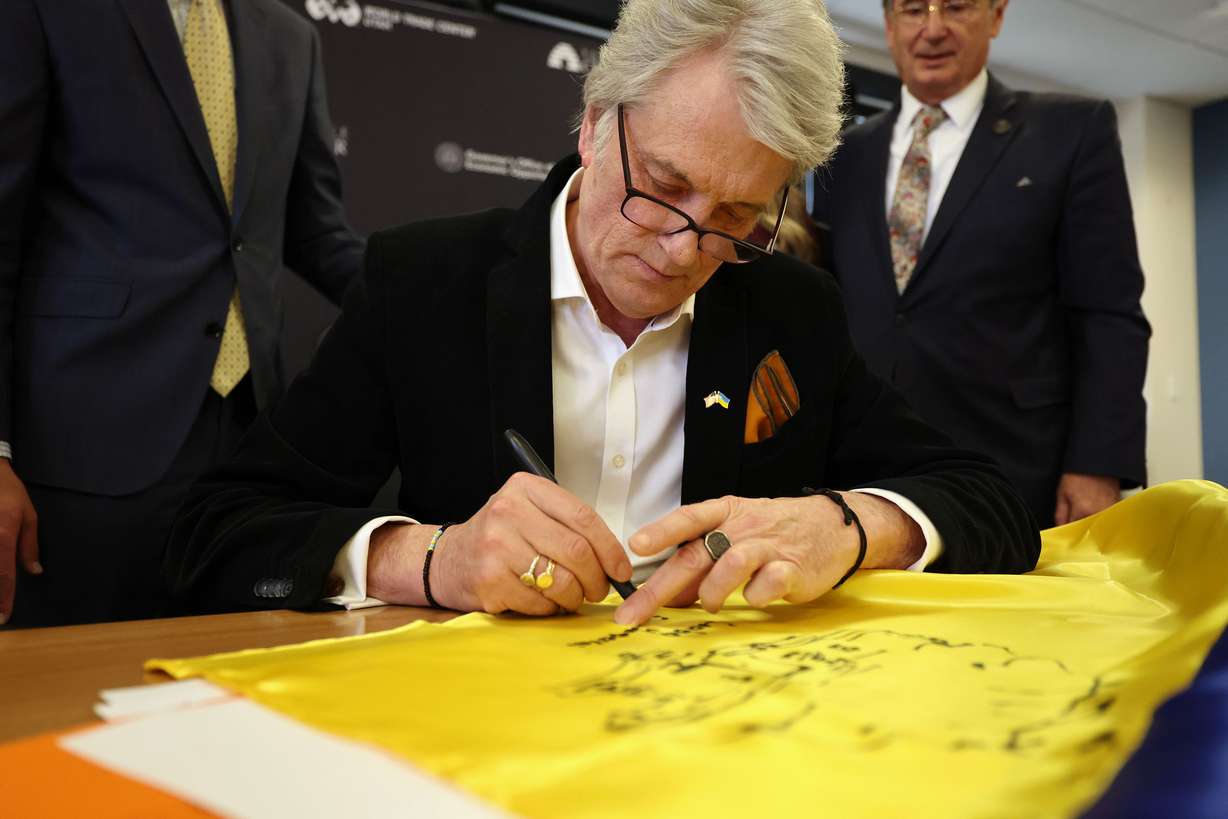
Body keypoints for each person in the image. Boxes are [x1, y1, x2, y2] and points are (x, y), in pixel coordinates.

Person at [165, 0, 1038, 628]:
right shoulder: (422, 281)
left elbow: (989, 498)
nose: (683, 251)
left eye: (737, 219)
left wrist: (847, 528)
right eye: (662, 188)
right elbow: (224, 530)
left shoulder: (789, 309)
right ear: (592, 125)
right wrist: (432, 560)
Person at [0, 0, 364, 627]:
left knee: (225, 697)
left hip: (247, 450)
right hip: (80, 449)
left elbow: (317, 234)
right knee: (73, 697)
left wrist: (438, 286)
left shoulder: (289, 36)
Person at [812, 0, 1150, 529]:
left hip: (1017, 472)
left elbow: (1109, 313)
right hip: (865, 473)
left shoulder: (1072, 131)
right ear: (888, 23)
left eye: (956, 7)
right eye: (911, 10)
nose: (932, 28)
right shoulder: (844, 154)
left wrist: (1098, 465)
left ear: (995, 16)